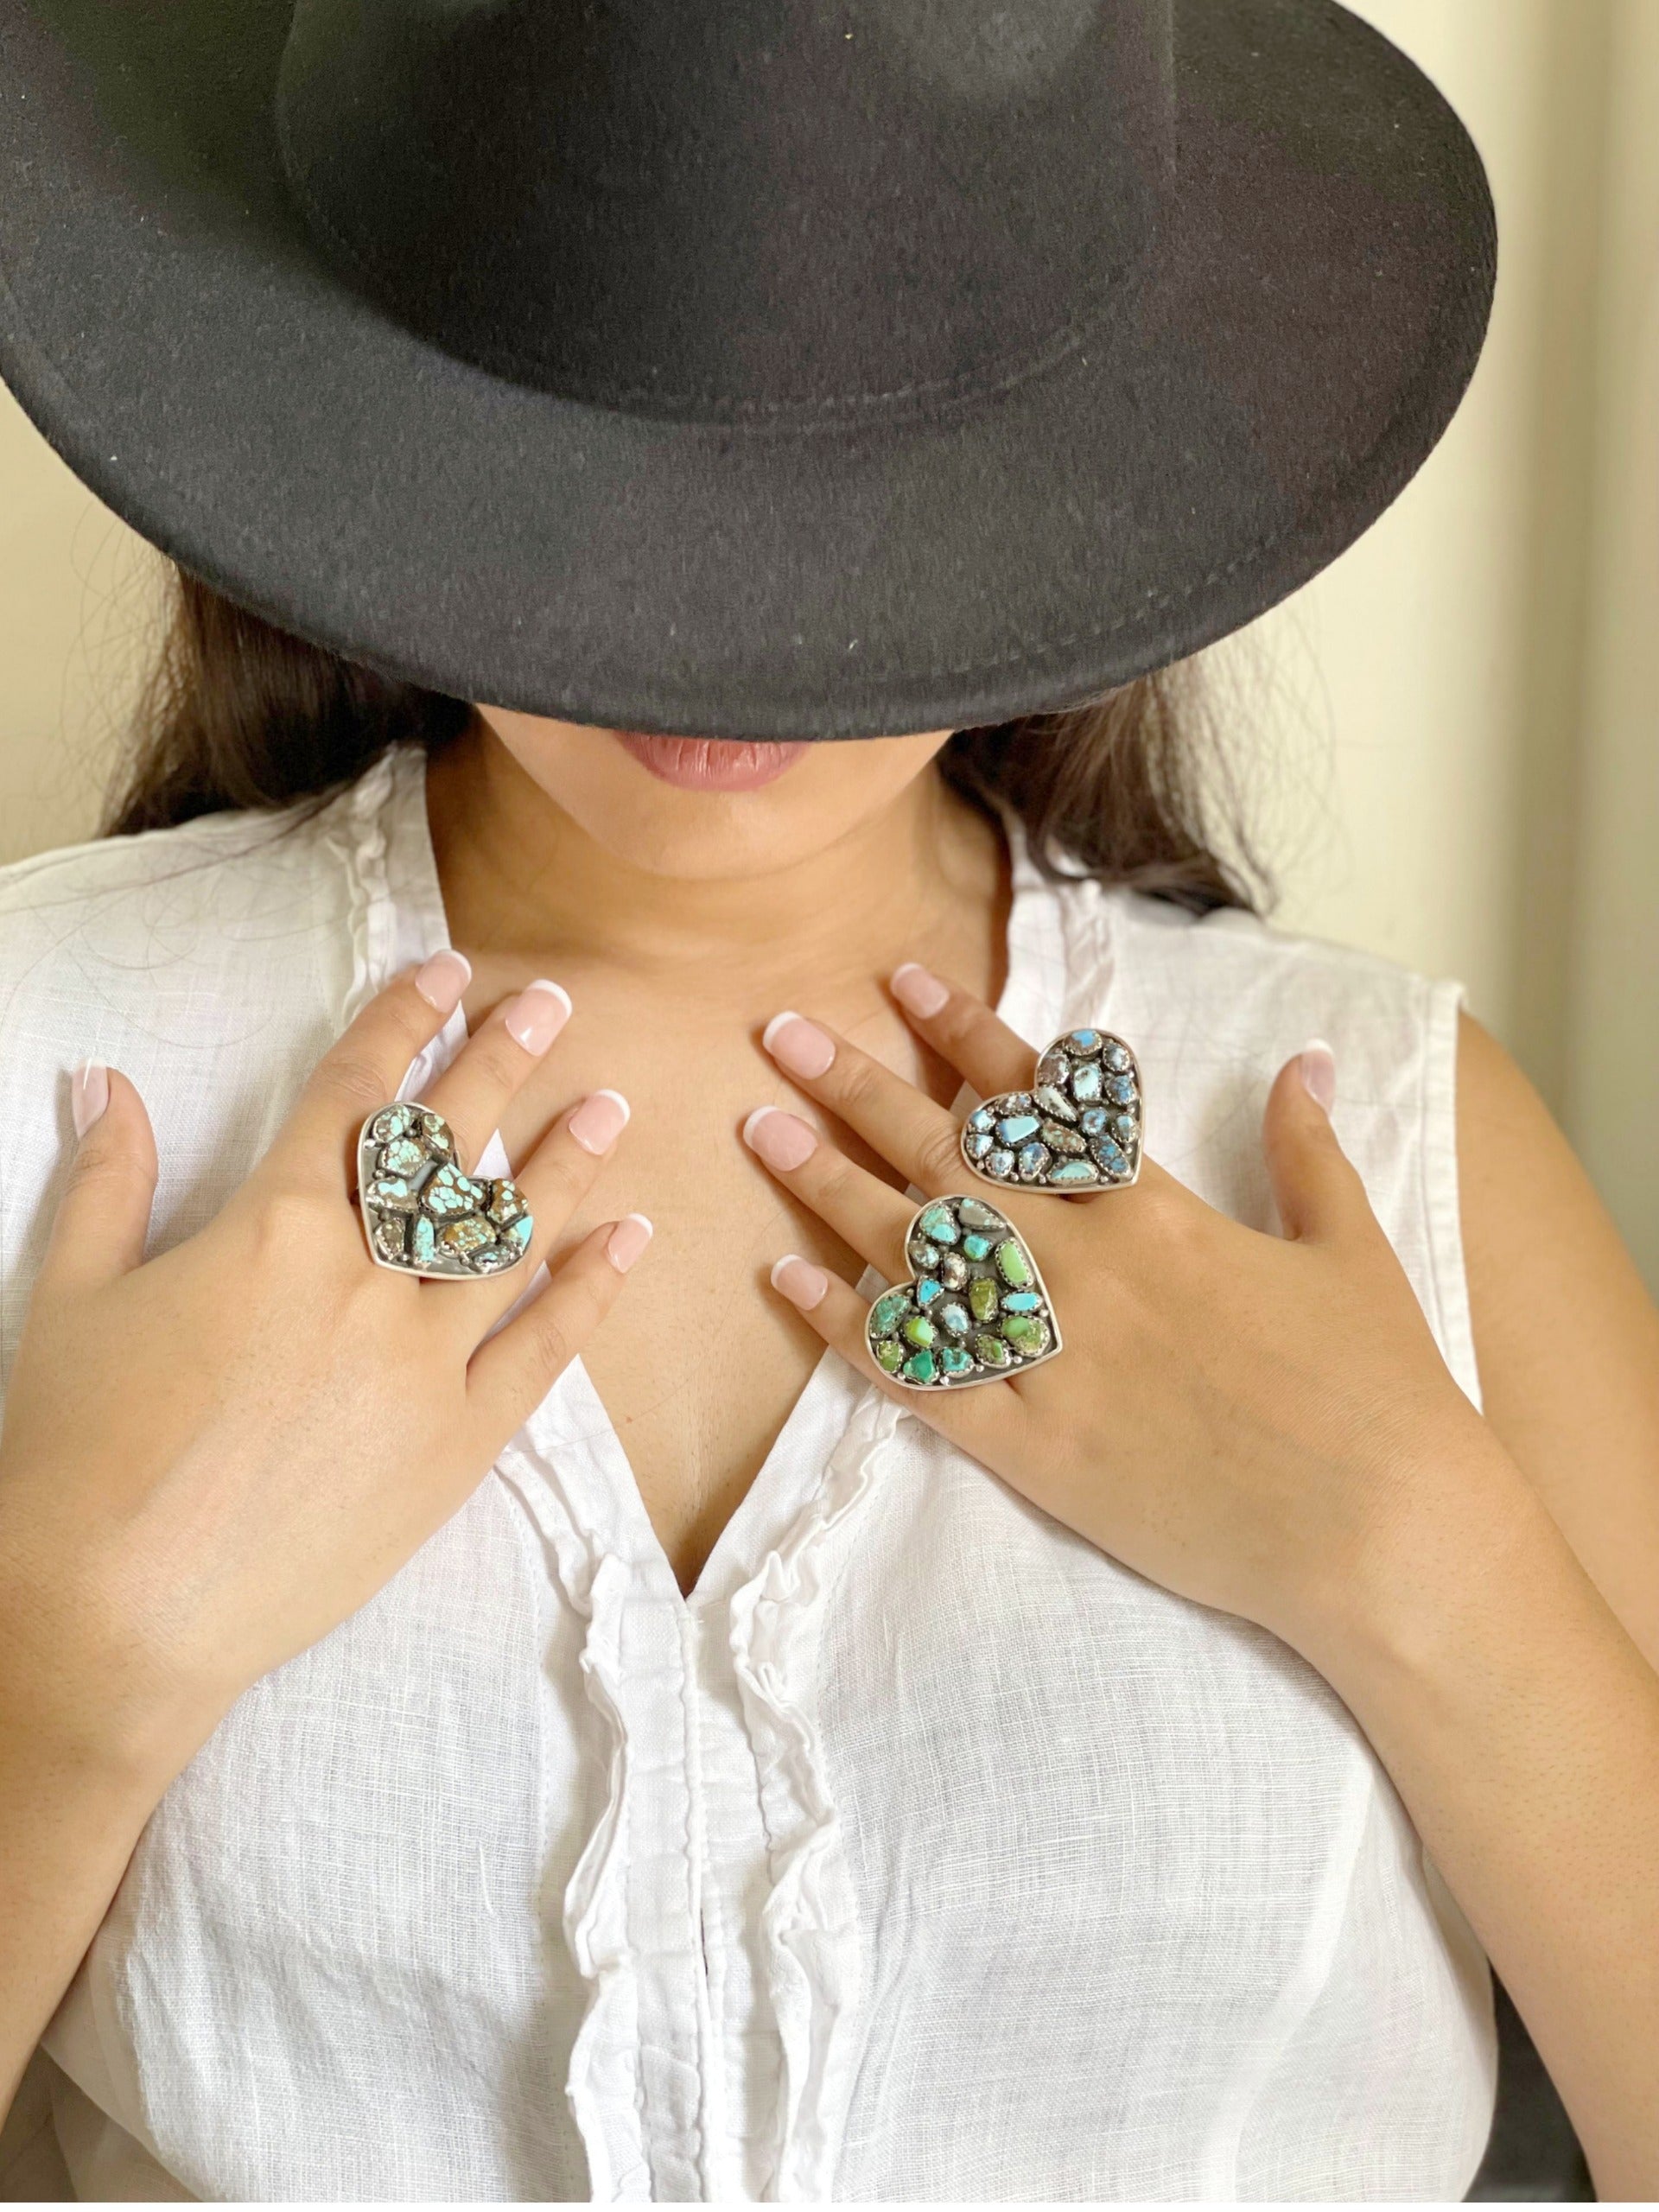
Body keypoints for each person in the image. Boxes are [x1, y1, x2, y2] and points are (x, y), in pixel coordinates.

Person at [1, 0, 1656, 2201]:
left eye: (838, 476)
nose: (723, 622)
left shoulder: (1389, 1143)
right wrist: (71, 1669)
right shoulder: (53, 1061)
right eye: (614, 455)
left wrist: (1417, 1559)